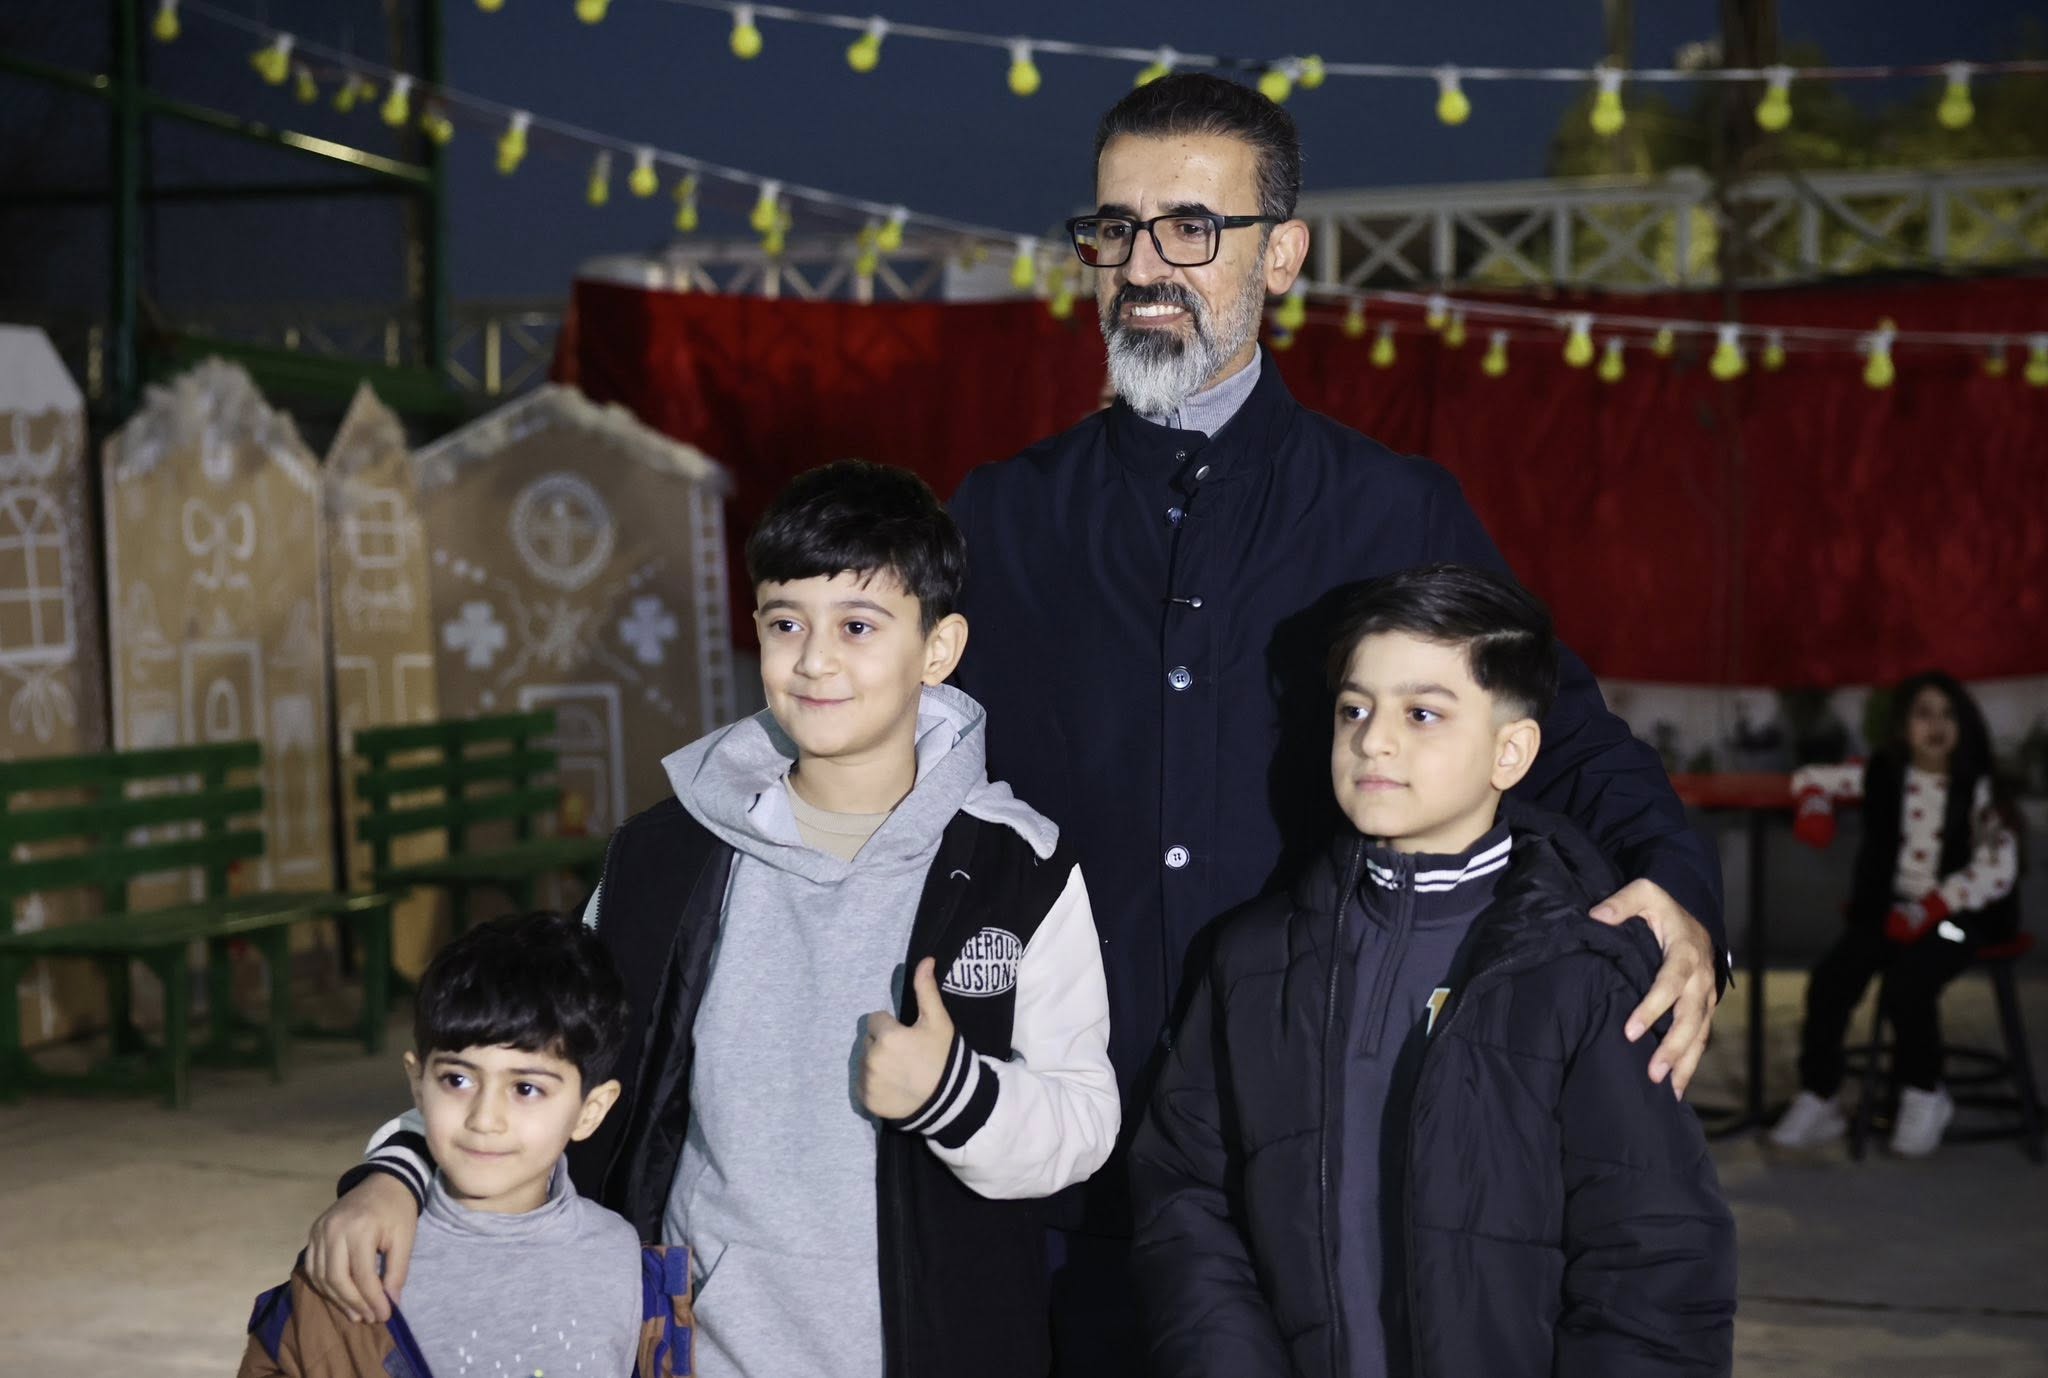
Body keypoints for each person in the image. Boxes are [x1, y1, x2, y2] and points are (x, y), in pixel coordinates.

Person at [946, 72, 1728, 1368]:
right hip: (1047, 1173)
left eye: (1191, 227)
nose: (1143, 266)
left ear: (1283, 255)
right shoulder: (1001, 516)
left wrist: (1678, 890)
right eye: (1116, 228)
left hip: (1297, 1174)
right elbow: (876, 750)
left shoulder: (1391, 510)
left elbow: (1561, 731)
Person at [304, 461, 1119, 1378]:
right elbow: (531, 1055)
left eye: (857, 626)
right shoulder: (668, 857)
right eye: (785, 624)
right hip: (704, 1352)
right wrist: (397, 1172)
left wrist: (953, 1093)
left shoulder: (1018, 869)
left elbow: (1085, 1124)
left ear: (939, 647)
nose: (814, 661)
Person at [1128, 565, 1737, 1378]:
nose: (1374, 740)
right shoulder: (1251, 961)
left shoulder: (1582, 974)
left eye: (1422, 714)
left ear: (1511, 752)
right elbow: (1186, 1199)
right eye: (1355, 709)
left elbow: (1655, 1265)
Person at [239, 912, 692, 1378]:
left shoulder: (619, 1259)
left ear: (590, 1111)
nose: (484, 1119)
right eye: (457, 1080)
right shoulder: (355, 1257)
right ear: (418, 1084)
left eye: (526, 1088)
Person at [1771, 671, 2022, 1156]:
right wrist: (1815, 805)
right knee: (1831, 981)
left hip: (1956, 919)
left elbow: (1999, 867)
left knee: (1910, 983)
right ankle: (1820, 1094)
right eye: (1923, 714)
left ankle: (1923, 1091)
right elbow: (1812, 776)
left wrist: (1934, 907)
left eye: (1948, 715)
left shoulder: (1981, 789)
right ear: (1903, 725)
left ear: (1965, 725)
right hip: (1887, 914)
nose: (1936, 726)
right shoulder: (1883, 773)